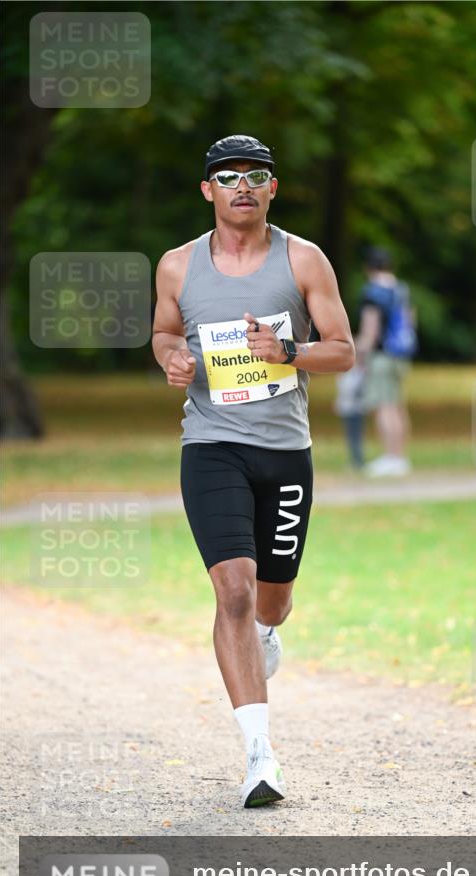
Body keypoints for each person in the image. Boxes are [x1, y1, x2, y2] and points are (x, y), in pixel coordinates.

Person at [152, 135, 354, 808]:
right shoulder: (177, 266)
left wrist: (288, 351)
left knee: (271, 601)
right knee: (232, 592)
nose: (242, 185)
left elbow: (343, 351)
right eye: (228, 176)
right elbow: (164, 332)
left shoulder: (303, 259)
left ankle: (267, 633)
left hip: (285, 451)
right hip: (211, 445)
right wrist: (172, 357)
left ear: (273, 188)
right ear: (207, 190)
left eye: (256, 175)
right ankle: (259, 755)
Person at [355, 248, 415, 477]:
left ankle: (392, 458)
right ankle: (400, 456)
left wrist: (360, 355)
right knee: (397, 405)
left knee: (384, 407)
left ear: (368, 267)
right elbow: (410, 321)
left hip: (381, 356)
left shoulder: (372, 292)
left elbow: (370, 331)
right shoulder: (401, 289)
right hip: (400, 354)